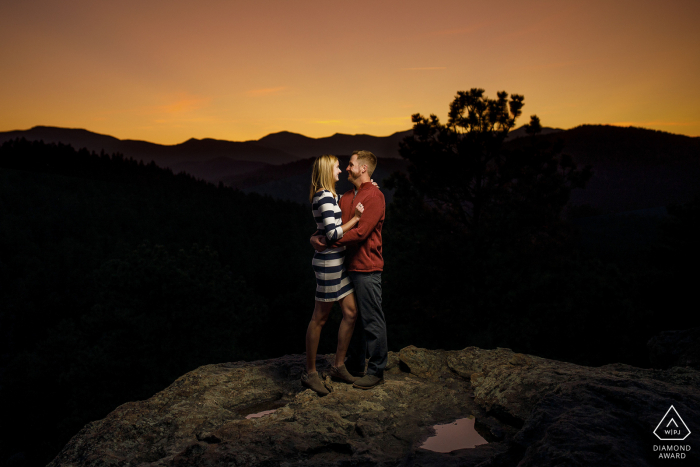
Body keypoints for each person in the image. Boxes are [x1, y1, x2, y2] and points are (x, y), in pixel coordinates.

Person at [311, 150, 387, 390]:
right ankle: (354, 366)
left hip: (367, 267)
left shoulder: (374, 195)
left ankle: (376, 370)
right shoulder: (343, 197)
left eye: (351, 164)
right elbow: (333, 226)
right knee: (353, 316)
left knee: (372, 319)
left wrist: (329, 240)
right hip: (345, 266)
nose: (346, 168)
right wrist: (315, 237)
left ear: (363, 168)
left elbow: (360, 232)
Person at [303, 154, 365, 396]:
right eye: (338, 168)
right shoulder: (324, 196)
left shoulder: (332, 196)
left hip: (337, 262)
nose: (341, 171)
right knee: (319, 318)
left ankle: (339, 366)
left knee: (351, 312)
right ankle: (310, 373)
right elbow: (331, 234)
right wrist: (357, 220)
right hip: (329, 263)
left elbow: (340, 206)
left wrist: (369, 188)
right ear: (328, 171)